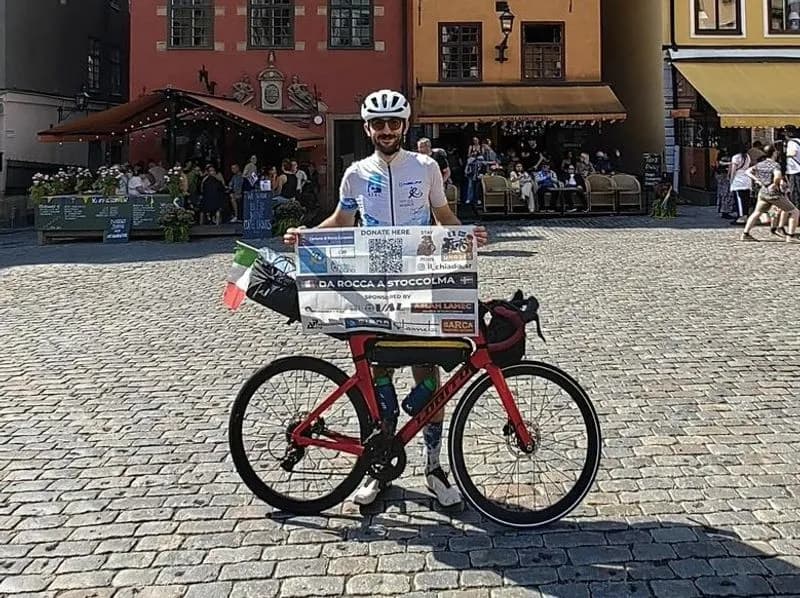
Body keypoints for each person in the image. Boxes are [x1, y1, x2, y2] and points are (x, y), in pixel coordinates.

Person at [284, 89, 488, 508]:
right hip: (373, 290)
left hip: (419, 285)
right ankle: (378, 466)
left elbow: (442, 215)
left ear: (405, 126)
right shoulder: (356, 173)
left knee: (427, 374)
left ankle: (433, 466)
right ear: (368, 129)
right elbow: (343, 219)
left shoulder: (427, 167)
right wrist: (307, 236)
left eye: (394, 123)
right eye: (379, 124)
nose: (387, 130)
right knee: (378, 379)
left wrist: (466, 235)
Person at [740, 145, 800, 243]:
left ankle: (745, 234)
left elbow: (748, 171)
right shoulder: (775, 165)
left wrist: (757, 180)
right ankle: (790, 235)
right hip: (774, 194)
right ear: (774, 153)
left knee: (756, 213)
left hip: (763, 192)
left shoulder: (760, 164)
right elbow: (777, 176)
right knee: (795, 212)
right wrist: (774, 184)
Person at [728, 144, 752, 225]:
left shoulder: (736, 157)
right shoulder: (747, 156)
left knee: (739, 199)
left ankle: (741, 217)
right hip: (747, 178)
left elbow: (733, 170)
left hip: (738, 180)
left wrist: (731, 180)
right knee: (746, 199)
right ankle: (745, 215)